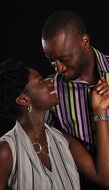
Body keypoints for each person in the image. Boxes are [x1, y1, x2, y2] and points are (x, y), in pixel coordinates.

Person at [0, 59, 109, 190]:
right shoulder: (3, 151)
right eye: (40, 81)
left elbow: (105, 178)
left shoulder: (64, 140)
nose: (50, 82)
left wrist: (100, 110)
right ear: (23, 99)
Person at [41, 10, 109, 189]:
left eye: (64, 59)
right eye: (52, 61)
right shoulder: (49, 91)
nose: (59, 69)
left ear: (84, 42)